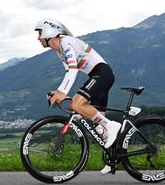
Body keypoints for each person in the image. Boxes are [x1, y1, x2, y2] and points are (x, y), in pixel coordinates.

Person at [34, 18, 121, 174]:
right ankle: (113, 158)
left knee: (76, 104)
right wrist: (58, 90)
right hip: (98, 75)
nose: (38, 38)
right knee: (100, 129)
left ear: (49, 32)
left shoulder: (66, 42)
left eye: (40, 33)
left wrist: (63, 92)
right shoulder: (59, 51)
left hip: (102, 74)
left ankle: (112, 125)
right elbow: (69, 71)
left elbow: (74, 69)